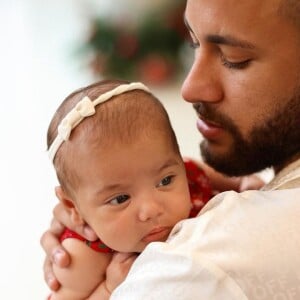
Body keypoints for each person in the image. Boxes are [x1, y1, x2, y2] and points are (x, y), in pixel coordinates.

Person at [41, 0, 300, 298]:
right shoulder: (82, 253)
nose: (189, 88)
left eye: (234, 58)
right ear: (74, 209)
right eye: (192, 43)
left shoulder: (193, 265)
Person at [46, 80, 262, 299]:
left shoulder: (190, 175)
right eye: (120, 198)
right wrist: (109, 290)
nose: (150, 209)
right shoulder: (83, 254)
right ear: (73, 207)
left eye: (164, 181)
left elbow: (238, 182)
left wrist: (248, 186)